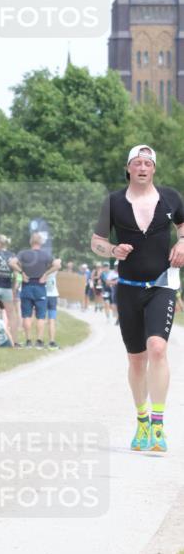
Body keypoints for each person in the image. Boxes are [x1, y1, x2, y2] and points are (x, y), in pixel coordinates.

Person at [91, 145, 184, 453]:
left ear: (154, 169)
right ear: (128, 168)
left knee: (157, 348)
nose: (143, 167)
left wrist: (182, 242)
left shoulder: (171, 198)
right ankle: (141, 419)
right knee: (136, 358)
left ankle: (158, 425)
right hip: (128, 287)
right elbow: (97, 242)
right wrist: (113, 250)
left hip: (162, 285)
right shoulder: (113, 202)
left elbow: (183, 226)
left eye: (148, 163)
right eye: (137, 163)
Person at [10, 232, 61, 348]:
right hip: (40, 286)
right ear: (41, 243)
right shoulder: (45, 255)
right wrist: (46, 274)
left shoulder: (23, 253)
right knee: (41, 316)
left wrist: (21, 272)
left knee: (26, 315)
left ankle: (28, 341)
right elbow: (57, 265)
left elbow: (12, 263)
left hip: (26, 285)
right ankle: (39, 341)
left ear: (30, 242)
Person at [45, 269, 60, 349]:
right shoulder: (54, 269)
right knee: (52, 320)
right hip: (52, 296)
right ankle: (52, 341)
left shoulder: (40, 267)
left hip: (42, 295)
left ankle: (38, 341)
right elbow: (58, 264)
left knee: (40, 319)